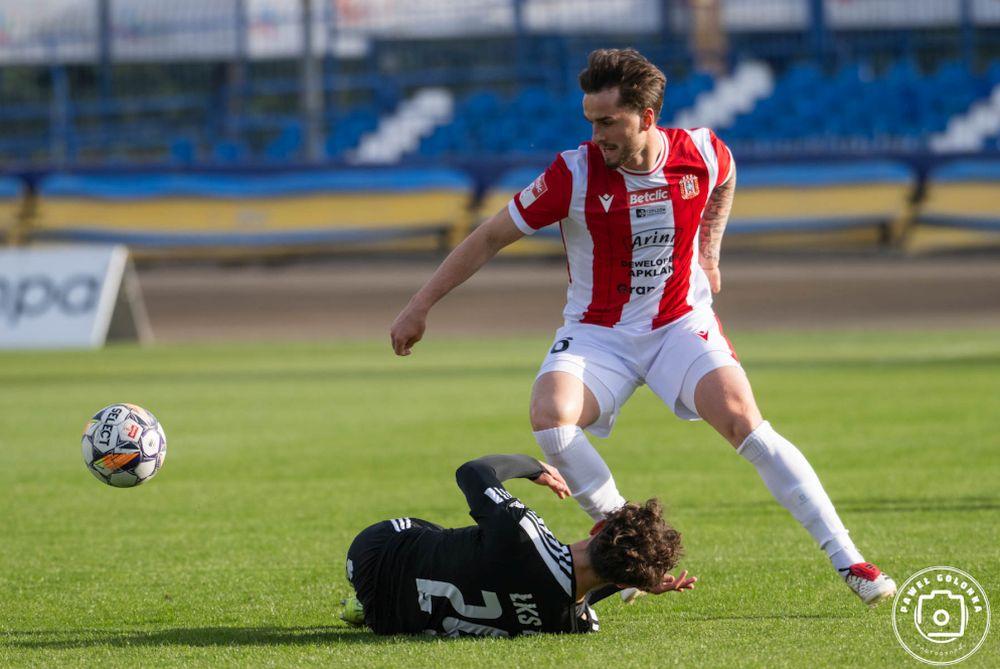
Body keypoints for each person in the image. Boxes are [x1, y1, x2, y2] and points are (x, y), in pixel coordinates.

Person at [390, 48, 895, 606]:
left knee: (745, 423)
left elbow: (726, 177)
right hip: (598, 332)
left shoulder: (701, 152)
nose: (596, 135)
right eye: (591, 121)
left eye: (608, 122)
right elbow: (489, 236)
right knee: (550, 417)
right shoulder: (572, 173)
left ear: (646, 117)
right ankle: (622, 542)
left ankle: (850, 560)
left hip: (679, 324)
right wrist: (419, 305)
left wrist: (709, 252)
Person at [340, 454, 694, 636]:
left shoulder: (523, 532)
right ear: (620, 581)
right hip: (389, 620)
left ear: (597, 528)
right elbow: (561, 596)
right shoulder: (575, 627)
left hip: (373, 552)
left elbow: (473, 471)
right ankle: (362, 607)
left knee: (443, 536)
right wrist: (635, 578)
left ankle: (363, 599)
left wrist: (532, 466)